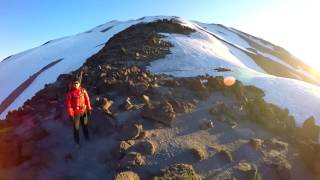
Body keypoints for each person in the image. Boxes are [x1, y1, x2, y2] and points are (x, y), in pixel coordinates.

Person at [66, 77, 91, 147]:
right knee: (76, 128)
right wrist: (71, 114)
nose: (75, 84)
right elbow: (69, 105)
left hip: (84, 111)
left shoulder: (83, 90)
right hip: (76, 113)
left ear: (79, 83)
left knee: (85, 126)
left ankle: (87, 137)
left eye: (77, 83)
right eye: (74, 83)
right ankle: (77, 142)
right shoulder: (70, 93)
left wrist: (89, 109)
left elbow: (87, 100)